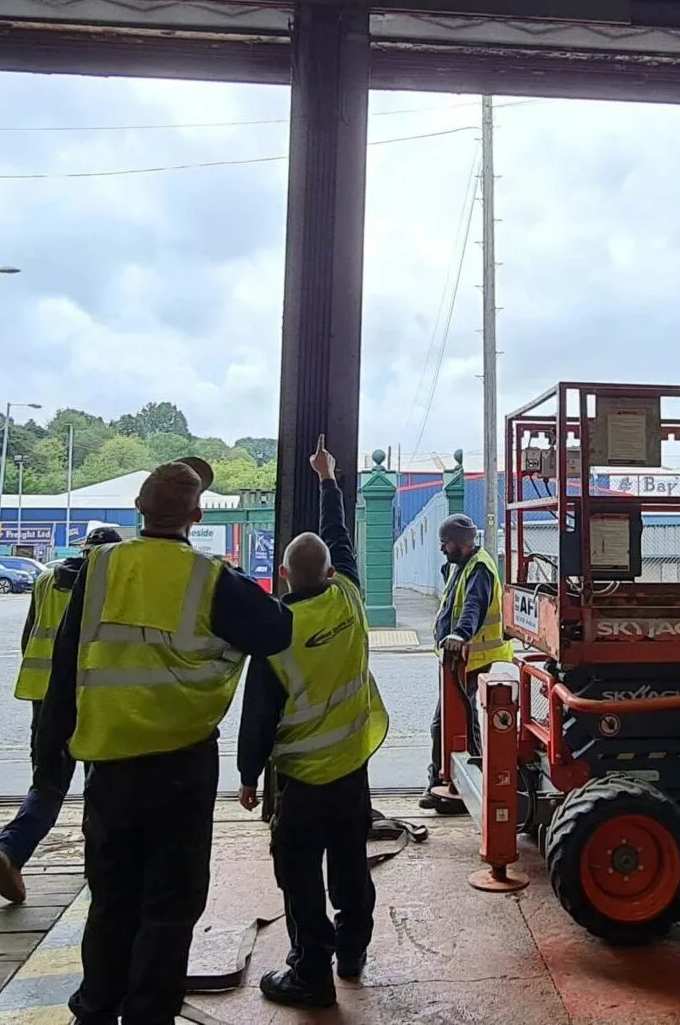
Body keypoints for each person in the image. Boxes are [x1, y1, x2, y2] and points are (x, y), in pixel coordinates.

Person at [35, 457, 293, 1025]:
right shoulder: (208, 576)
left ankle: (97, 1010)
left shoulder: (100, 568)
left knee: (111, 899)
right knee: (170, 906)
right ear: (196, 516)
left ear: (138, 509)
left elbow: (64, 662)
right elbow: (276, 629)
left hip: (107, 764)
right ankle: (149, 1016)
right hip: (180, 765)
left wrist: (49, 760)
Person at [237, 435, 388, 1009]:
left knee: (299, 877)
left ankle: (311, 974)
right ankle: (351, 953)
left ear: (282, 573)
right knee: (351, 863)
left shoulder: (276, 632)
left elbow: (257, 716)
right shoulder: (349, 596)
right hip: (351, 769)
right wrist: (328, 479)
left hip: (301, 780)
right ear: (329, 571)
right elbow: (342, 536)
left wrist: (249, 775)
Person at [0, 526, 124, 904]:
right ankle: (99, 868)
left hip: (43, 694)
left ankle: (11, 851)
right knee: (100, 787)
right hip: (91, 695)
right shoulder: (108, 584)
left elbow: (28, 635)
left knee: (47, 784)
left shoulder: (47, 579)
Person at [421, 512, 512, 812]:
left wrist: (460, 634)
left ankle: (467, 782)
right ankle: (445, 779)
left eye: (445, 543)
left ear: (459, 544)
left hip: (475, 660)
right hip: (459, 662)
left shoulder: (480, 569)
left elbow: (473, 606)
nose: (441, 549)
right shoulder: (460, 565)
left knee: (456, 723)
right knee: (452, 721)